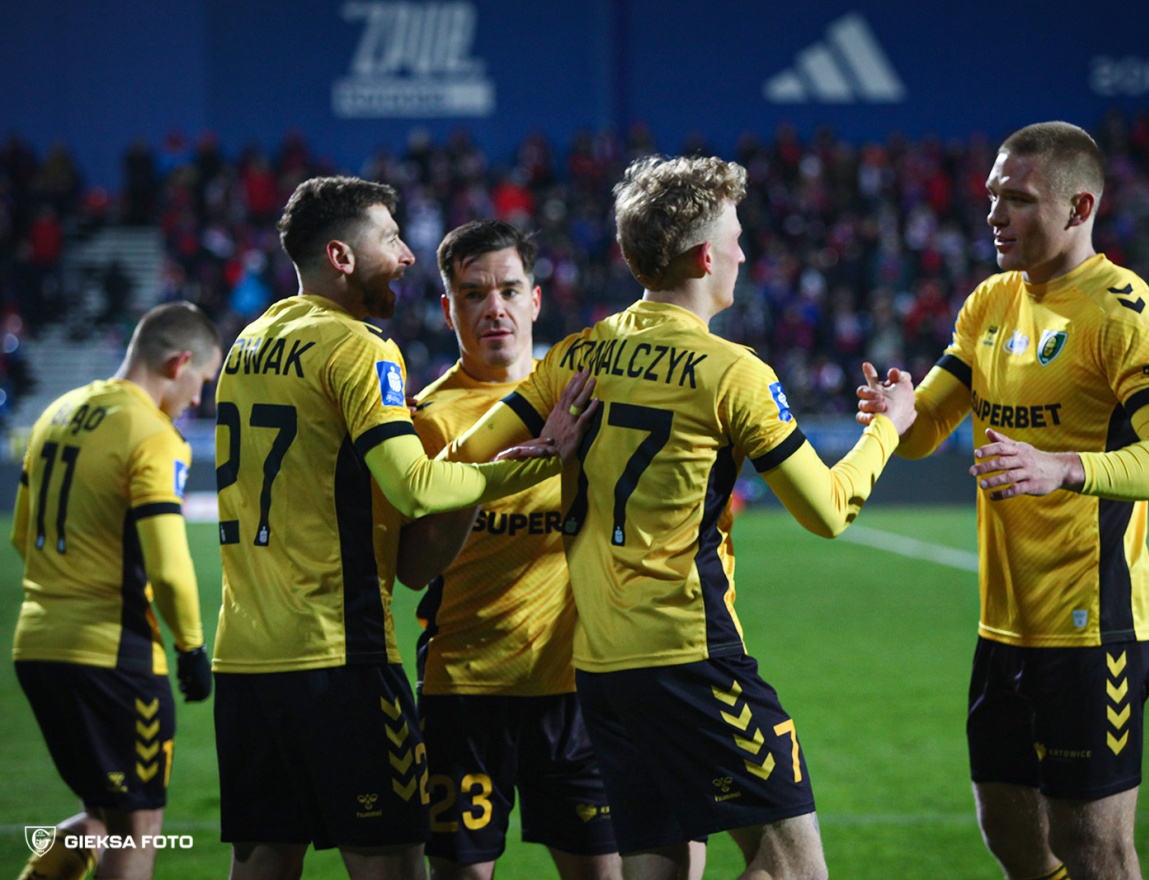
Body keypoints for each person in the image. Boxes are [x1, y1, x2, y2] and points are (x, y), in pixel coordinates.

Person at [439, 155, 916, 880]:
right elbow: (827, 510)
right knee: (795, 870)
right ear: (703, 256)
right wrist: (888, 428)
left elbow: (459, 462)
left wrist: (536, 460)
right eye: (736, 239)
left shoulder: (577, 354)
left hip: (601, 671)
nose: (743, 254)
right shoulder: (732, 372)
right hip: (690, 656)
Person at [211, 177, 595, 880]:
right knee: (390, 862)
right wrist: (531, 465)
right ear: (342, 256)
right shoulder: (358, 347)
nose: (406, 255)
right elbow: (413, 488)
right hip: (339, 649)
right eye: (391, 238)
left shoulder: (247, 344)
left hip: (244, 655)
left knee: (264, 858)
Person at [858, 121, 1149, 880]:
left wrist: (1066, 469)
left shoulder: (1124, 314)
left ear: (1080, 208)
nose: (994, 214)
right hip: (1007, 624)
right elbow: (927, 429)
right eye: (992, 196)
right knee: (1011, 834)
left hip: (1095, 626)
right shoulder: (990, 301)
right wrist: (898, 414)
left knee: (1094, 847)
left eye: (1016, 199)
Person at [401, 219, 622, 880]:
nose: (493, 307)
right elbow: (414, 567)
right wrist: (494, 473)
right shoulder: (426, 419)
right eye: (473, 294)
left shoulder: (587, 398)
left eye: (508, 290)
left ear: (535, 300)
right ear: (449, 309)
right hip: (465, 689)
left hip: (575, 689)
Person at [11, 301, 222, 880]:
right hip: (112, 654)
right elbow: (168, 565)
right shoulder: (152, 434)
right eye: (202, 381)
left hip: (37, 647)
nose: (198, 400)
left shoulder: (57, 412)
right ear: (179, 363)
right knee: (139, 824)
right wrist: (191, 648)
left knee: (102, 814)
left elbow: (23, 535)